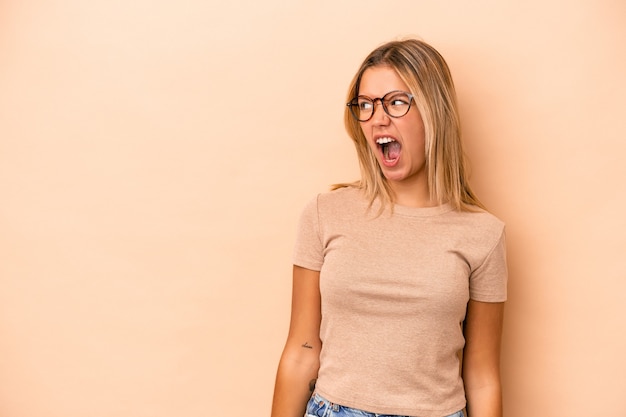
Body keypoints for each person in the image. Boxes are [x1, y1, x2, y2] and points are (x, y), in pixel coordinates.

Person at [271, 38, 507, 417]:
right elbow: (301, 350)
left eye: (396, 102)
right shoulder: (324, 214)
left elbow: (482, 376)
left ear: (435, 111)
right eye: (366, 105)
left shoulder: (483, 234)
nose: (378, 118)